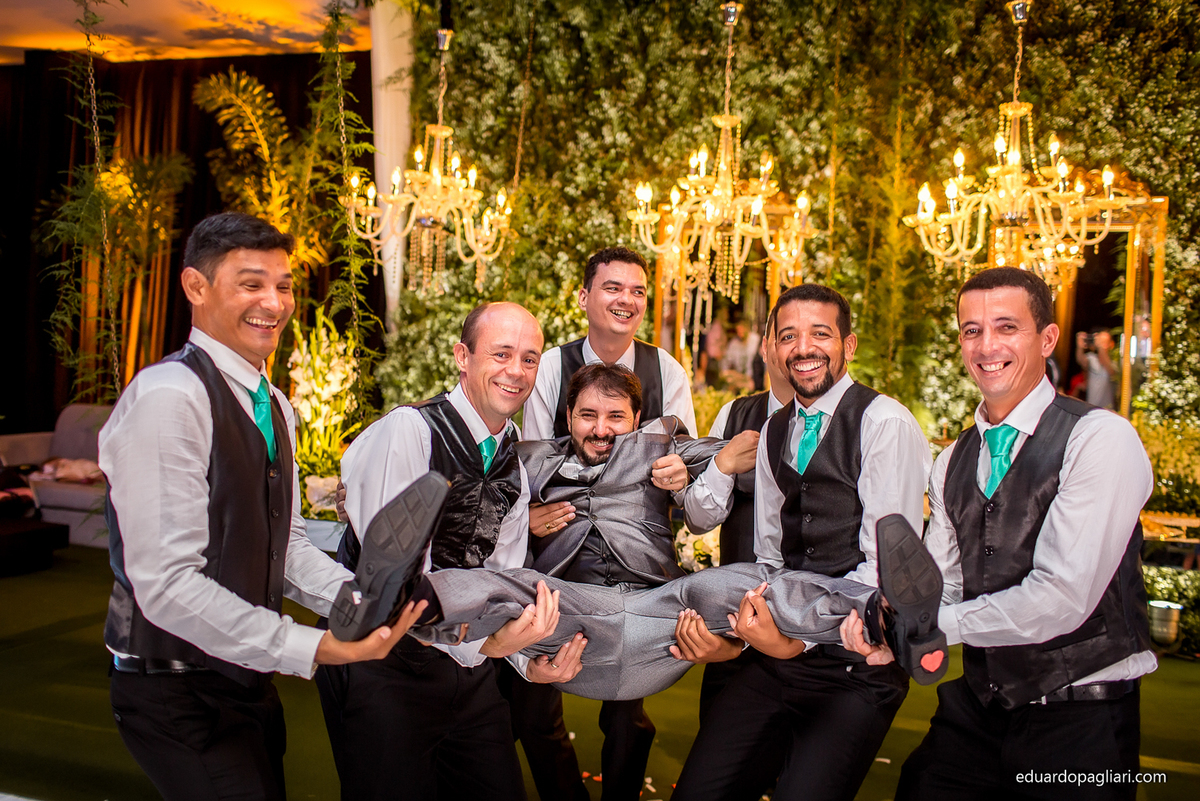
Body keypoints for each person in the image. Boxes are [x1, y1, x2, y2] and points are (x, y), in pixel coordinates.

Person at [99, 212, 423, 801]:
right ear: (196, 286)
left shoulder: (274, 403)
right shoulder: (169, 396)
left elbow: (287, 548)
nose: (274, 303)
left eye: (284, 286)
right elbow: (165, 585)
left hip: (247, 682)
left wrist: (368, 599)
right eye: (251, 284)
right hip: (175, 689)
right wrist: (313, 646)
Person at [872, 267, 1154, 800]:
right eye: (971, 330)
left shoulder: (1100, 439)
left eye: (1007, 327)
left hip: (1082, 718)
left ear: (1047, 339)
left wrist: (933, 629)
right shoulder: (952, 460)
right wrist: (888, 624)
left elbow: (1061, 599)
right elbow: (944, 587)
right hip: (978, 707)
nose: (986, 346)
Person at [671, 284, 934, 801]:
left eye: (820, 334)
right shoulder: (773, 430)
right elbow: (771, 558)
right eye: (789, 335)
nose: (803, 348)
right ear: (774, 347)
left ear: (848, 345)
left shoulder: (884, 423)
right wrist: (753, 636)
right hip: (774, 659)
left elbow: (885, 572)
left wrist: (794, 639)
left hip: (857, 662)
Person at [323, 302, 585, 801]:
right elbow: (392, 584)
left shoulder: (513, 466)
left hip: (466, 672)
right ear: (463, 357)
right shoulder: (409, 430)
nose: (516, 371)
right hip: (380, 662)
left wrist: (526, 661)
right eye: (501, 354)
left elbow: (501, 585)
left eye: (529, 359)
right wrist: (485, 646)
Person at [512, 362, 747, 801]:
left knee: (625, 718)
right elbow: (475, 504)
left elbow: (744, 453)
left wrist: (720, 463)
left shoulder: (660, 445)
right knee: (528, 709)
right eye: (588, 415)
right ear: (568, 416)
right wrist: (522, 520)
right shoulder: (530, 458)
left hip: (649, 607)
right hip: (563, 609)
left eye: (616, 417)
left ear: (637, 419)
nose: (601, 430)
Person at [684, 308, 795, 720]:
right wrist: (723, 465)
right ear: (764, 348)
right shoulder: (733, 414)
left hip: (809, 627)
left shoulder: (851, 424)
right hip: (733, 623)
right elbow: (698, 519)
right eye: (785, 337)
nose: (797, 350)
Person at [522, 246, 696, 439]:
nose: (627, 300)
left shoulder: (668, 373)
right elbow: (535, 453)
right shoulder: (550, 369)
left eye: (638, 292)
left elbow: (684, 453)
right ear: (583, 298)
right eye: (613, 288)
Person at [1074, 326, 1116, 409]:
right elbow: (1081, 360)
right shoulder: (1092, 358)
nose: (1102, 344)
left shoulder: (1114, 361)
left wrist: (1101, 348)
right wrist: (1080, 347)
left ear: (1111, 344)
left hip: (1108, 408)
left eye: (1104, 342)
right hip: (1091, 406)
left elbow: (1110, 370)